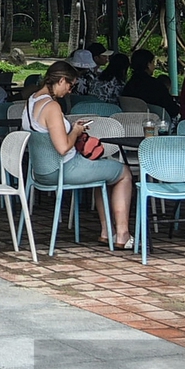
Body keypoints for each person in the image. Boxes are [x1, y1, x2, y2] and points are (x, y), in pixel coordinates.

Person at [24, 60, 133, 246]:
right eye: (70, 86)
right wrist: (75, 131)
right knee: (123, 173)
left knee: (103, 173)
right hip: (63, 168)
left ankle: (107, 231)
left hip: (40, 171)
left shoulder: (31, 101)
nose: (69, 91)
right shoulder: (51, 107)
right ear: (61, 81)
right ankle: (122, 234)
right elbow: (63, 147)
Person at [122, 48, 179, 117]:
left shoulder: (128, 86)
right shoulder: (156, 86)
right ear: (148, 64)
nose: (154, 66)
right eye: (153, 62)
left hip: (131, 123)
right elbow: (173, 110)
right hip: (154, 123)